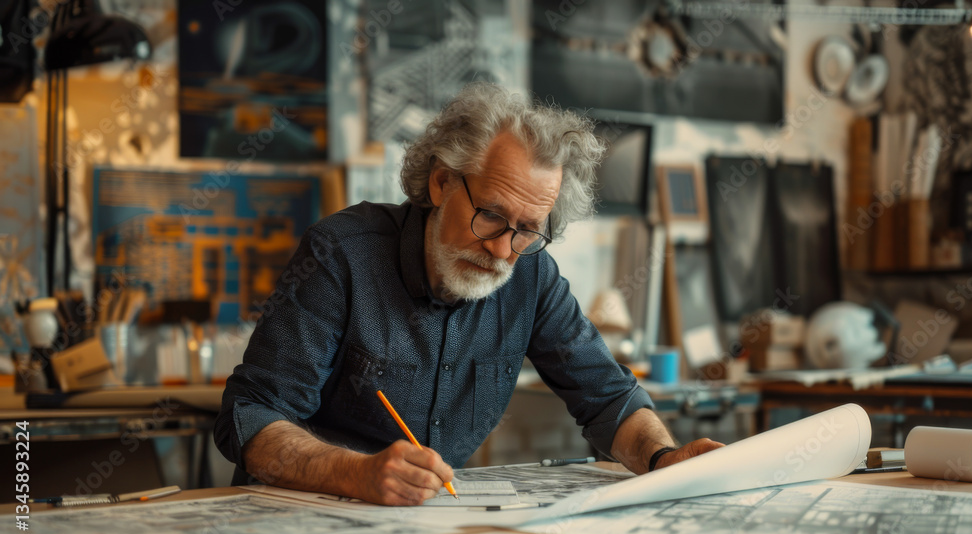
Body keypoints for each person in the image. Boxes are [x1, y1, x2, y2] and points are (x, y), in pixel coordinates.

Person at [214, 82, 724, 505]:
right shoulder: (341, 253)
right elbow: (252, 416)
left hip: (423, 527)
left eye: (527, 229)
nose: (503, 251)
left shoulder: (531, 274)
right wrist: (354, 473)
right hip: (299, 518)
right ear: (440, 183)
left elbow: (609, 398)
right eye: (492, 216)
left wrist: (663, 458)